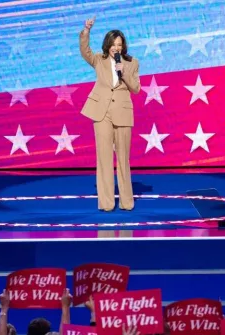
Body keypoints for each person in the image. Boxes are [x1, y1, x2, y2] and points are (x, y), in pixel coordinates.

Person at [79, 16, 140, 212]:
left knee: (123, 159)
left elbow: (136, 88)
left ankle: (126, 202)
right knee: (104, 159)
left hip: (122, 113)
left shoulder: (132, 63)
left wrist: (126, 72)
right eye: (113, 45)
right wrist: (86, 31)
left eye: (119, 45)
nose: (116, 48)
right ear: (108, 45)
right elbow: (84, 51)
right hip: (102, 113)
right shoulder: (99, 59)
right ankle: (106, 203)